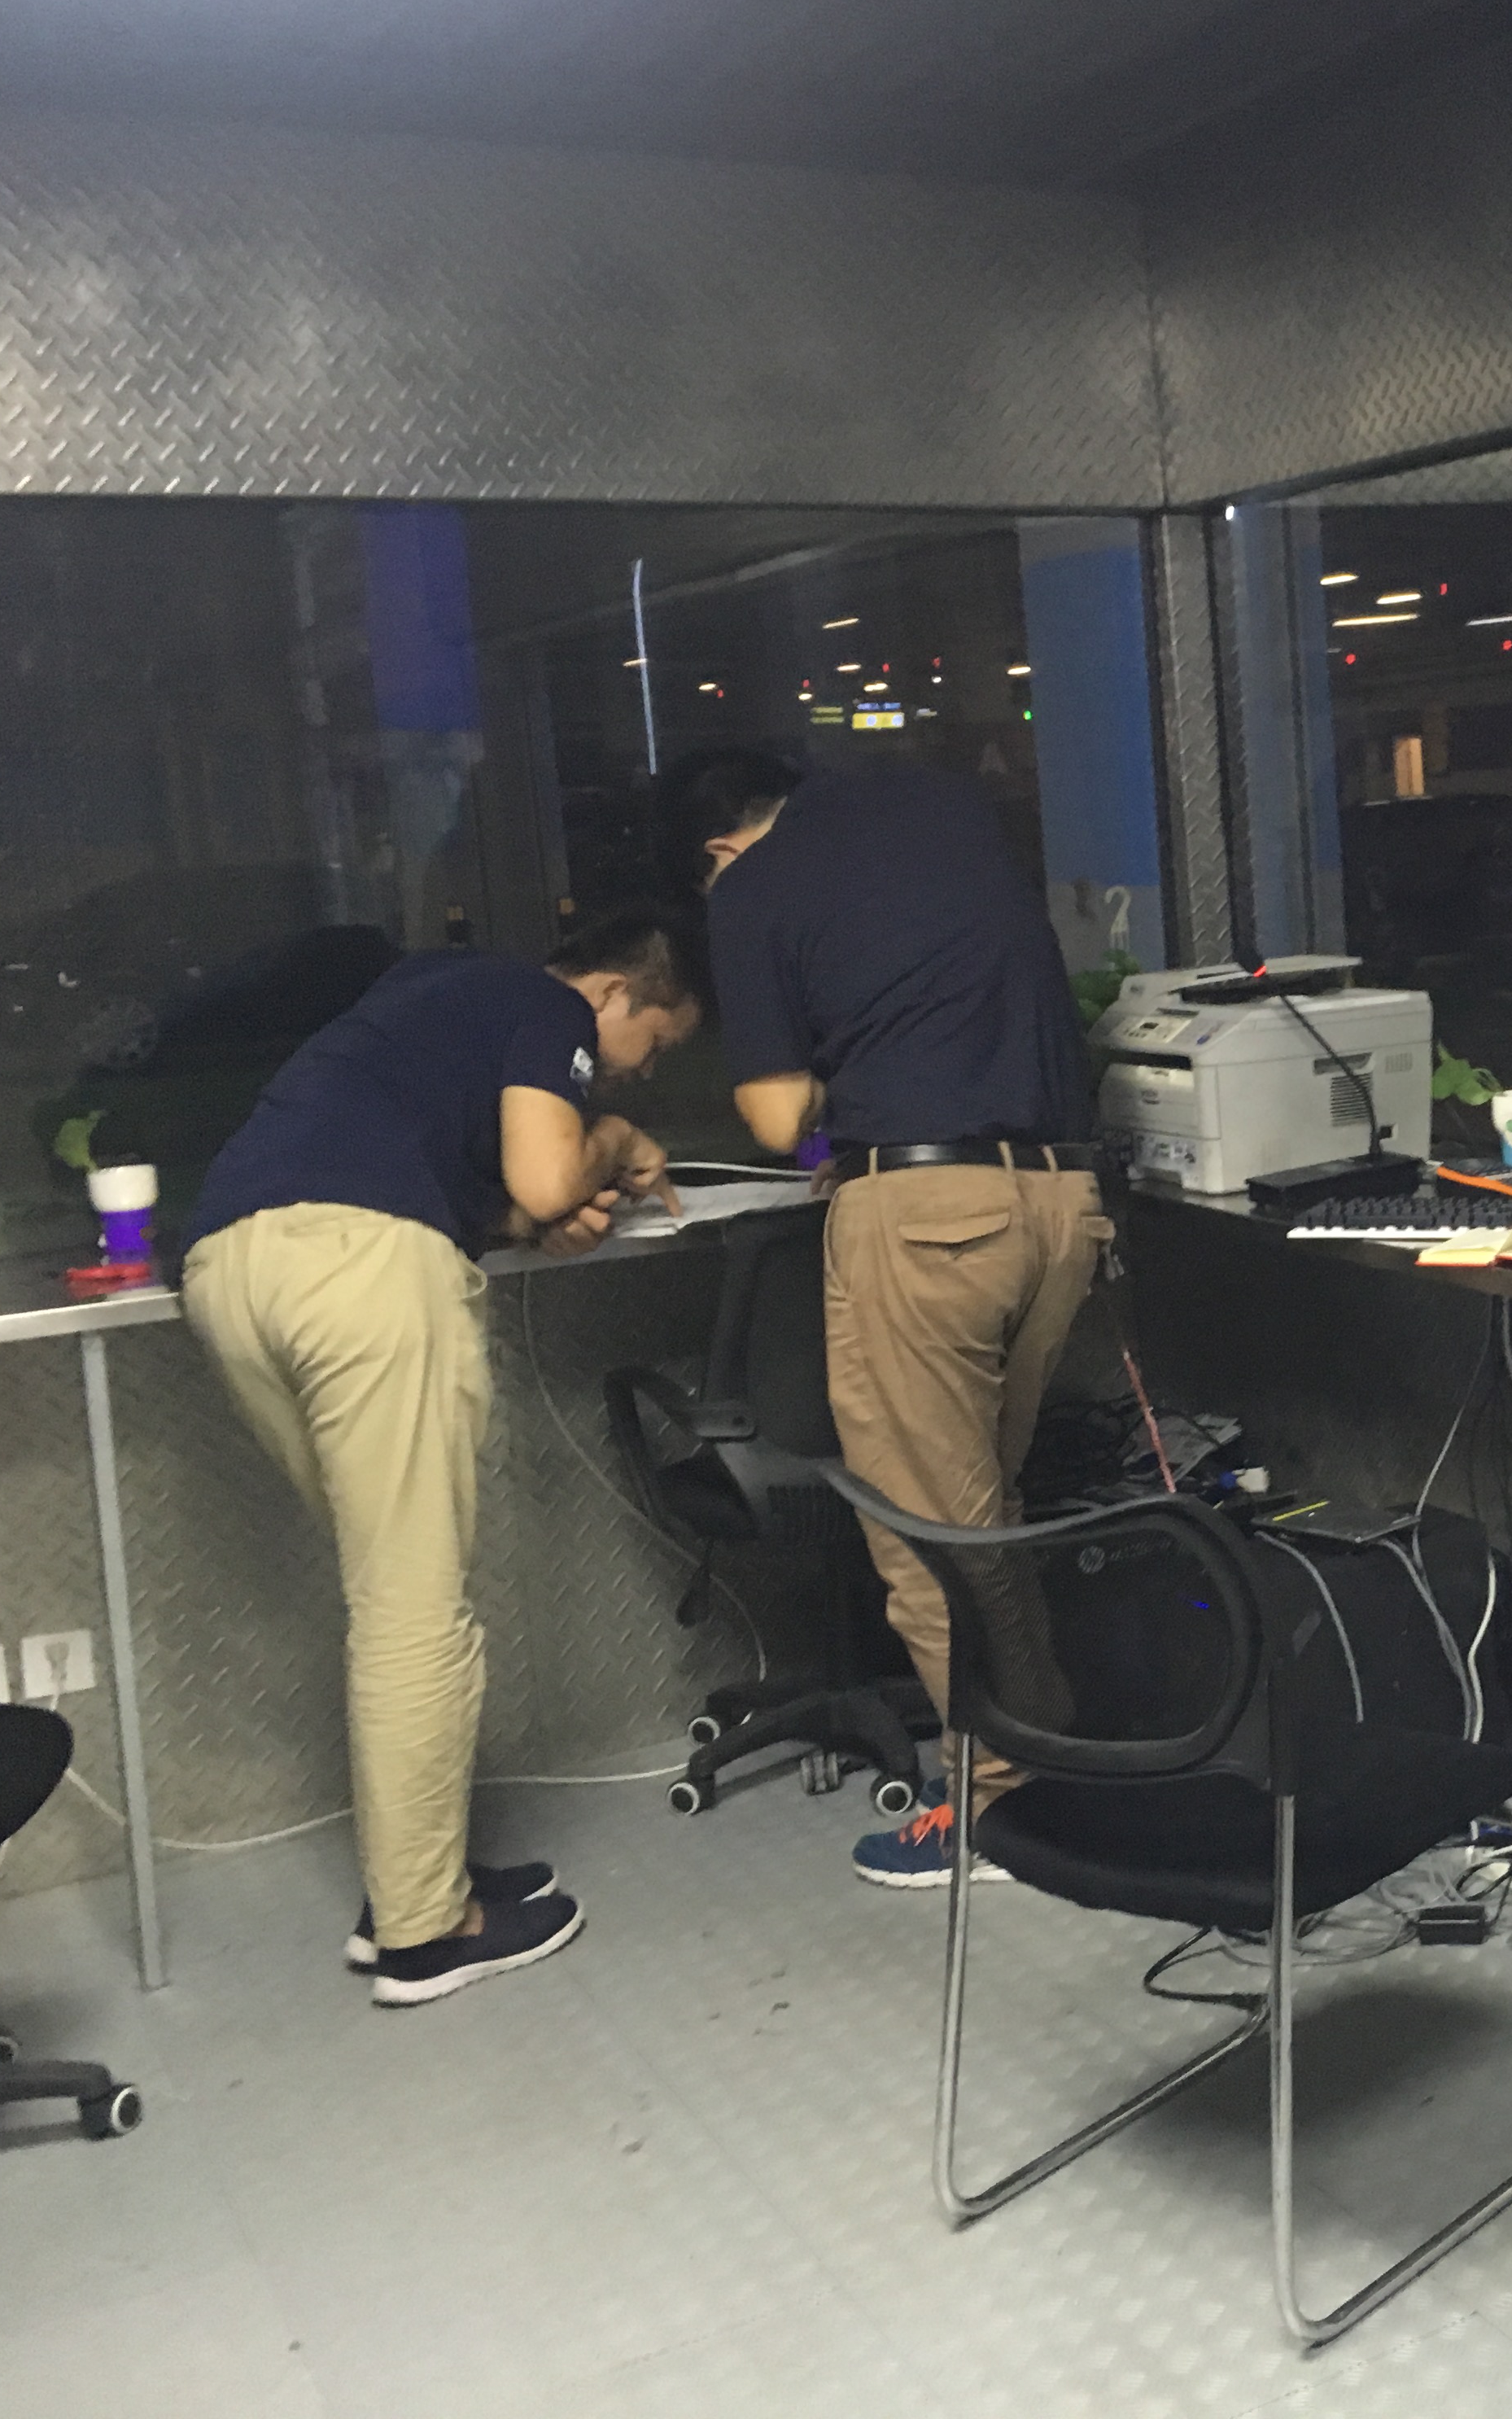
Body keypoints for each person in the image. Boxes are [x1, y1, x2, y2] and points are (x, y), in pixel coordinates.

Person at [182, 911, 703, 2004]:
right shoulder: (548, 1005)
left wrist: (534, 1219)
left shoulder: (434, 996)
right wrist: (612, 1142)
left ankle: (414, 1882)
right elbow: (550, 1177)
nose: (634, 1070)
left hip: (231, 1268)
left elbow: (511, 1196)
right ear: (613, 993)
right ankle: (424, 1934)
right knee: (414, 1612)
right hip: (359, 1274)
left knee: (388, 1594)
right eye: (650, 1046)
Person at [678, 745, 1102, 1888]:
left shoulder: (755, 888)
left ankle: (998, 1809)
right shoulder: (946, 813)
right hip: (1061, 1205)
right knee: (985, 1516)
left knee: (927, 1536)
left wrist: (840, 1084)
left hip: (925, 1221)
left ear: (722, 847)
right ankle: (1050, 1766)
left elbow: (777, 1122)